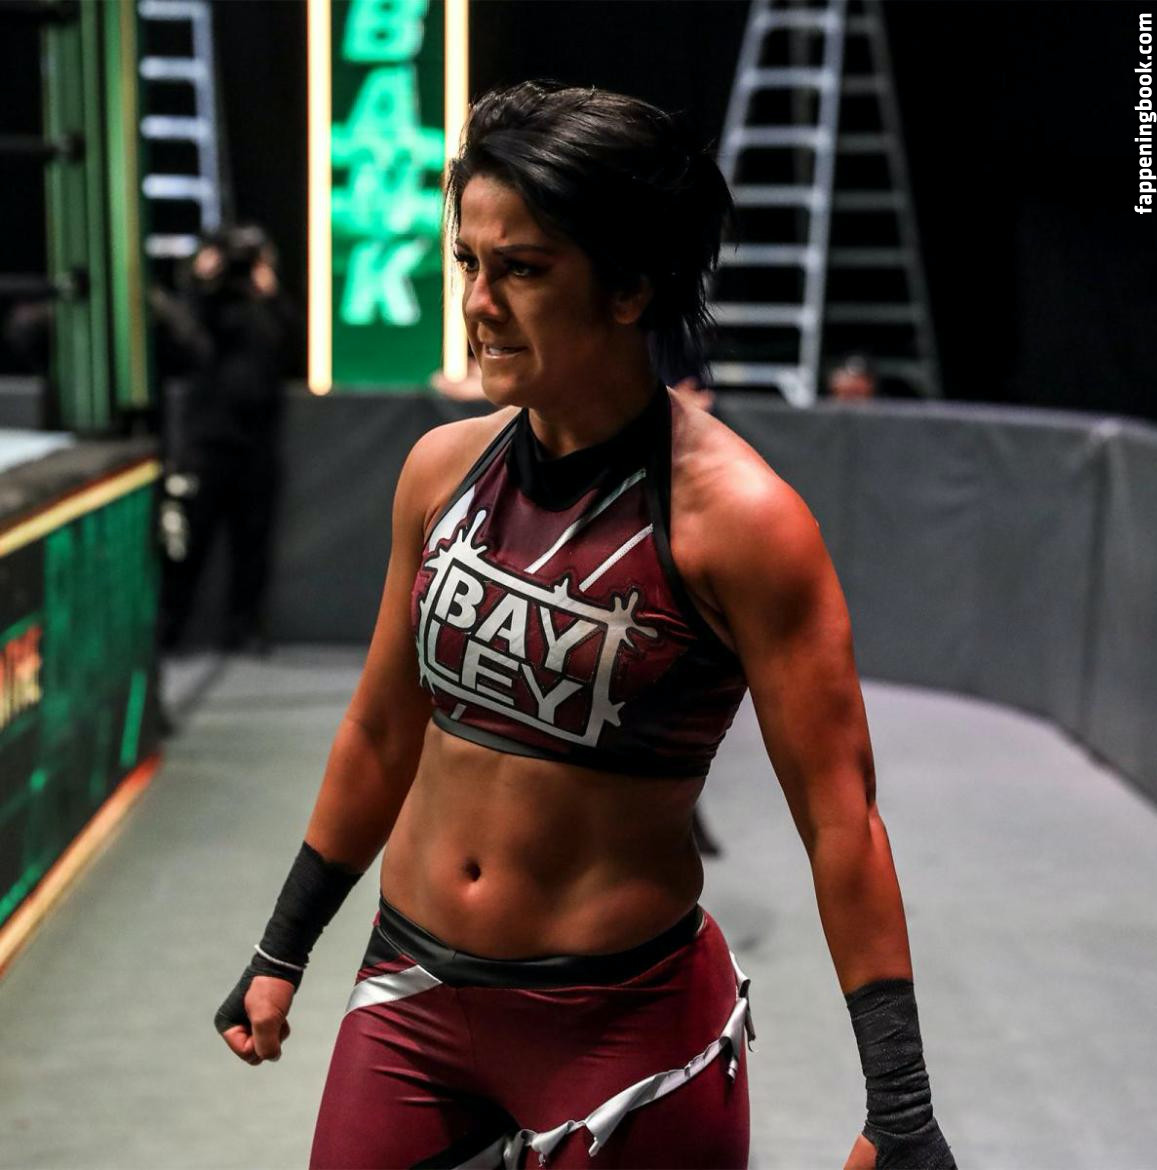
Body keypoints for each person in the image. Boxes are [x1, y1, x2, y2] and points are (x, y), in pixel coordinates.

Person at [215, 82, 955, 1170]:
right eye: (468, 262)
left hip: (624, 1038)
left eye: (522, 269)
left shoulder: (744, 525)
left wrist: (902, 1109)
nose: (478, 303)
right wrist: (284, 948)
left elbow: (841, 821)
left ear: (630, 287)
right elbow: (379, 732)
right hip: (410, 995)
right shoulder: (439, 472)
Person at [158, 224, 300, 653]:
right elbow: (183, 334)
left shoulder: (266, 309)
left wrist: (269, 292)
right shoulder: (206, 304)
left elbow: (291, 345)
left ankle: (245, 629)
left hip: (256, 443)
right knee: (189, 541)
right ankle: (170, 628)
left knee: (252, 543)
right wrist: (202, 280)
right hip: (208, 442)